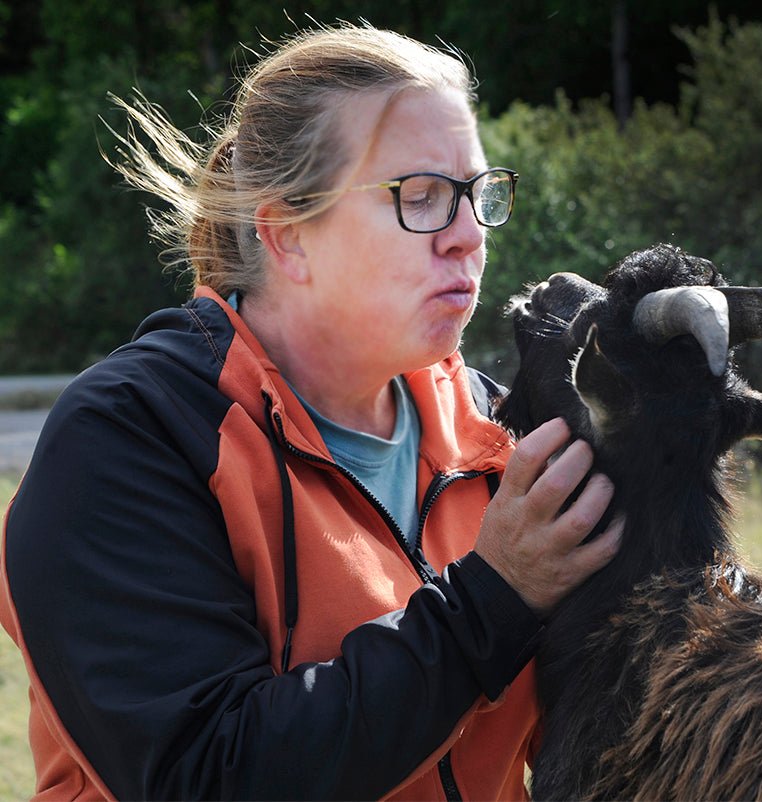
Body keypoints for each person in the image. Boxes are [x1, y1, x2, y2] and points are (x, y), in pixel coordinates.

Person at [0, 23, 622, 801]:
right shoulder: (129, 438)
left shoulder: (496, 433)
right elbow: (212, 775)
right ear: (286, 234)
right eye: (421, 198)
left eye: (477, 194)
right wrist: (490, 602)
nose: (468, 237)